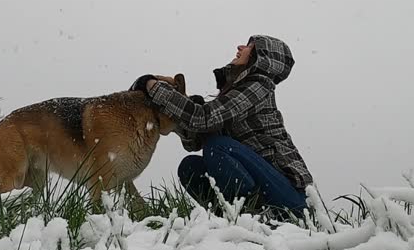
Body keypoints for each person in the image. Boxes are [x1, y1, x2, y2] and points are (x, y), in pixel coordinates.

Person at [130, 35, 313, 217]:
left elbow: (203, 119)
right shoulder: (233, 93)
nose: (240, 47)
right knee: (190, 167)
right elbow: (194, 141)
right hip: (263, 188)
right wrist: (175, 105)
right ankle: (231, 217)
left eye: (250, 46)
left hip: (291, 199)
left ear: (262, 55)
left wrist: (152, 87)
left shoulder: (259, 85)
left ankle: (257, 216)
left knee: (218, 146)